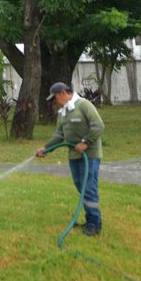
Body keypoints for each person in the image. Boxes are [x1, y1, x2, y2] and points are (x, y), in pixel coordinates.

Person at [35, 82, 105, 236]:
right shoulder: (63, 112)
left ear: (62, 93)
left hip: (90, 155)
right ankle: (90, 220)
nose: (54, 102)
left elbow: (98, 126)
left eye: (54, 99)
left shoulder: (84, 105)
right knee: (81, 186)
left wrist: (86, 142)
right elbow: (59, 135)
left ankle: (94, 224)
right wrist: (46, 148)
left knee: (89, 187)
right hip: (74, 156)